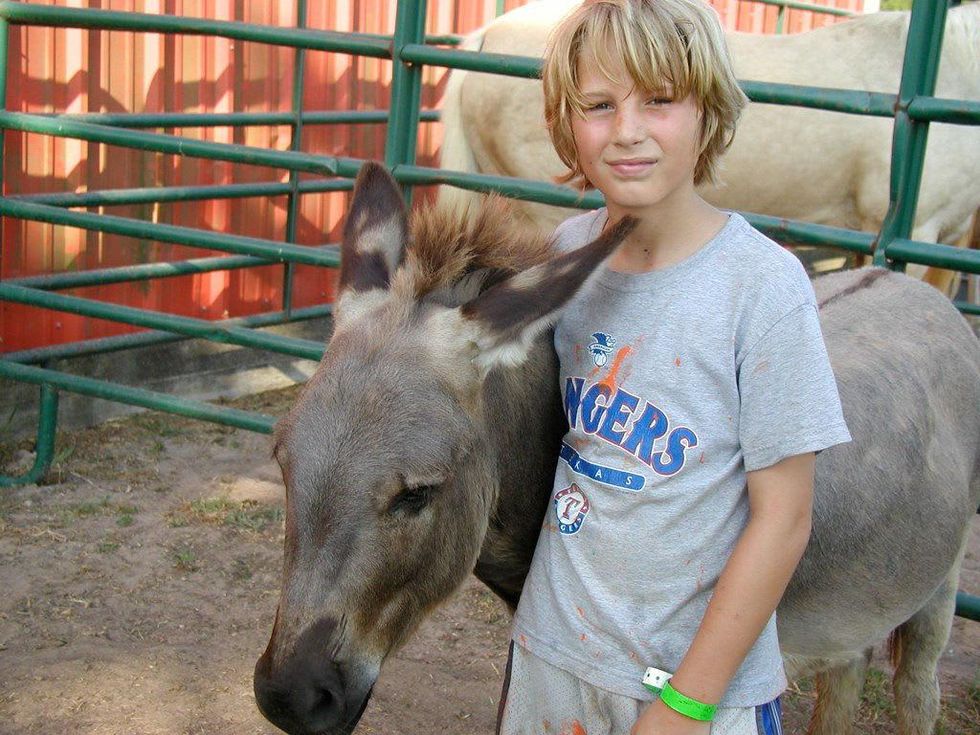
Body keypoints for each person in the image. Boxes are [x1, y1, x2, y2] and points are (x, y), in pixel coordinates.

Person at [496, 1, 852, 734]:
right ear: (568, 123)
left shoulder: (764, 288)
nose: (628, 130)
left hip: (694, 692)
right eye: (599, 105)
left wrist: (688, 701)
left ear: (707, 112)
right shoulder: (564, 256)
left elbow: (784, 518)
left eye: (659, 100)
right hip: (554, 657)